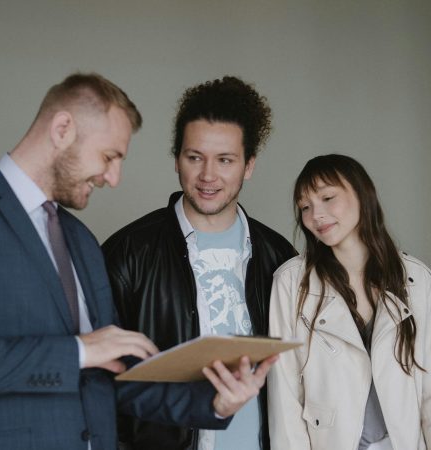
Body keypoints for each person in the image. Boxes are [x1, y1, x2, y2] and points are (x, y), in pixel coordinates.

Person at [0, 72, 276, 450]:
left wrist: (214, 404)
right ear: (62, 129)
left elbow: (112, 376)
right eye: (109, 157)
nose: (114, 177)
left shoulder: (81, 240)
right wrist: (78, 351)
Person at [102, 76, 297, 450]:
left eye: (225, 160)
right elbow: (102, 385)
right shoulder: (126, 252)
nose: (208, 175)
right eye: (195, 157)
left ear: (249, 165)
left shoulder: (280, 257)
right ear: (177, 159)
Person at [266, 154, 431, 450]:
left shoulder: (416, 279)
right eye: (305, 206)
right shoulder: (291, 283)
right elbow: (285, 398)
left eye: (327, 197)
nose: (315, 214)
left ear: (361, 194)